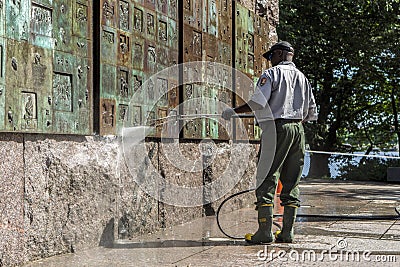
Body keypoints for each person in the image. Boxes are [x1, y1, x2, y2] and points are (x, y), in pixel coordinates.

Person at [222, 41, 318, 244]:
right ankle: (287, 233)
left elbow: (258, 103)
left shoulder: (272, 74)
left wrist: (234, 112)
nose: (269, 61)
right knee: (291, 181)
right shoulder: (303, 77)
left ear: (280, 54)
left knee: (266, 177)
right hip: (298, 131)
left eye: (271, 56)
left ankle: (264, 232)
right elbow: (311, 112)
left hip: (276, 129)